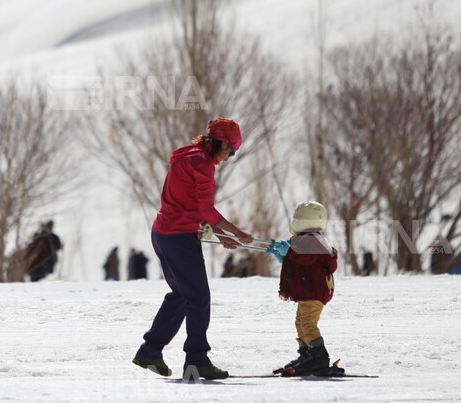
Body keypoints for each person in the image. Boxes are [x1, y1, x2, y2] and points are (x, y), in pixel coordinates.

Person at [132, 117, 252, 381]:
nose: (229, 157)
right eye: (230, 151)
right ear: (221, 144)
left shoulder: (189, 156)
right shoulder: (202, 163)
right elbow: (206, 209)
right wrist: (236, 232)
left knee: (183, 294)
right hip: (178, 236)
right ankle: (196, 360)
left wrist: (221, 235)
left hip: (163, 233)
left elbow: (197, 207)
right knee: (198, 297)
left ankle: (150, 350)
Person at [271, 202, 340, 377]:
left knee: (308, 324)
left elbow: (306, 259)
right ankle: (306, 354)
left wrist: (289, 251)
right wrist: (283, 255)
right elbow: (299, 263)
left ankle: (319, 358)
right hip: (306, 290)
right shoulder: (305, 240)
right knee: (300, 323)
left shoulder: (314, 240)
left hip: (314, 291)